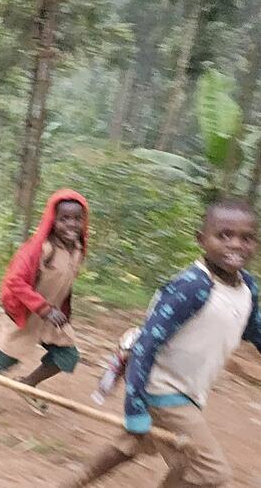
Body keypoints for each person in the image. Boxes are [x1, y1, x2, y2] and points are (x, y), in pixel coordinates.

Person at [63, 200, 261, 488]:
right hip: (163, 389)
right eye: (224, 235)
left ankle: (71, 483)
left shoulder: (247, 288)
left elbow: (253, 328)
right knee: (211, 473)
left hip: (189, 389)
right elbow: (145, 345)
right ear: (201, 239)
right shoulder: (192, 287)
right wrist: (134, 408)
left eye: (246, 238)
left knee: (135, 444)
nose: (236, 245)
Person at [0, 189, 89, 414]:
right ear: (53, 220)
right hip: (27, 313)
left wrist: (60, 310)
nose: (71, 224)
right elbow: (14, 280)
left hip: (52, 317)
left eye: (77, 219)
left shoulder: (77, 249)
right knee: (6, 359)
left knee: (67, 355)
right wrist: (43, 308)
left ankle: (27, 384)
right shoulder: (40, 248)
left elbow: (65, 282)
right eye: (64, 219)